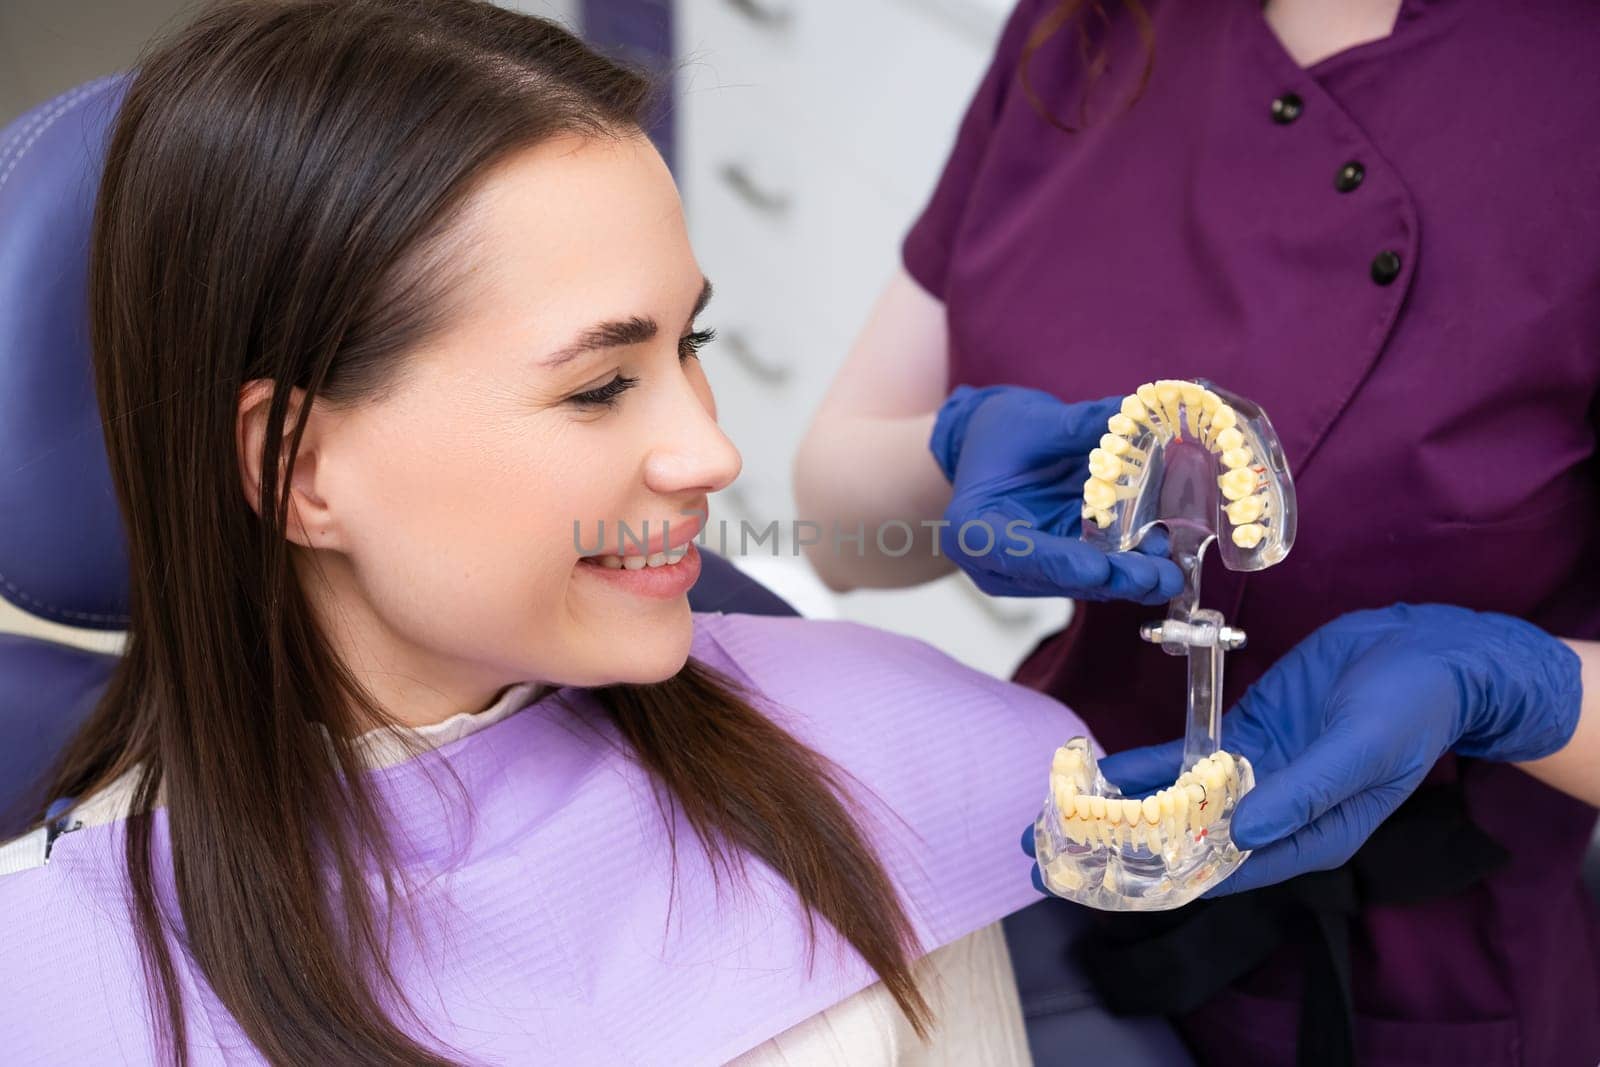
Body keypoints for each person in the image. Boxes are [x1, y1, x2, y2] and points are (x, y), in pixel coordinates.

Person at [0, 2, 1093, 1062]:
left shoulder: (865, 764)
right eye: (600, 385)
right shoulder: (60, 989)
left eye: (689, 340)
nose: (710, 453)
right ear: (298, 468)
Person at [794, 0, 1600, 1064]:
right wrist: (954, 452)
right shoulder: (1080, 29)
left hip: (1420, 990)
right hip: (1045, 885)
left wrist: (1508, 683)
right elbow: (835, 535)